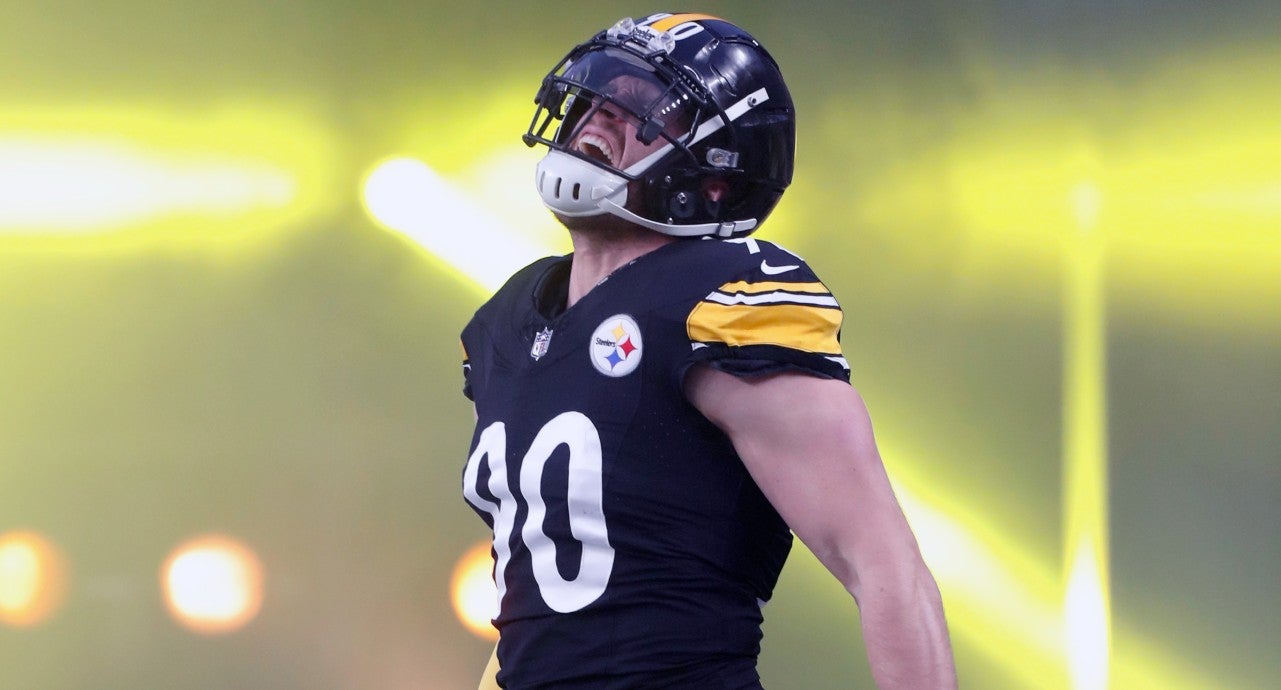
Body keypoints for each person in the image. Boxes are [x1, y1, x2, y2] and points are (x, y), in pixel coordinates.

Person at [460, 12, 956, 689]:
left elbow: (884, 566)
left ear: (716, 177)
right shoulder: (513, 317)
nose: (596, 121)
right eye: (596, 99)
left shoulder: (727, 298)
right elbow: (534, 605)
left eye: (637, 107)